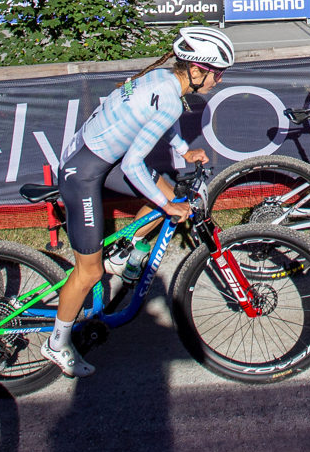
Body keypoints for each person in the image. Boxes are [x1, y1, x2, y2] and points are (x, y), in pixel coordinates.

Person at [42, 26, 236, 378]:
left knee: (171, 191)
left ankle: (125, 248)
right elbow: (133, 165)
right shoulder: (170, 96)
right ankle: (57, 342)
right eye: (217, 73)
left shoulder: (165, 79)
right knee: (89, 272)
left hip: (98, 157)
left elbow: (163, 121)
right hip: (83, 172)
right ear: (195, 70)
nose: (219, 80)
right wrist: (167, 207)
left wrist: (183, 151)